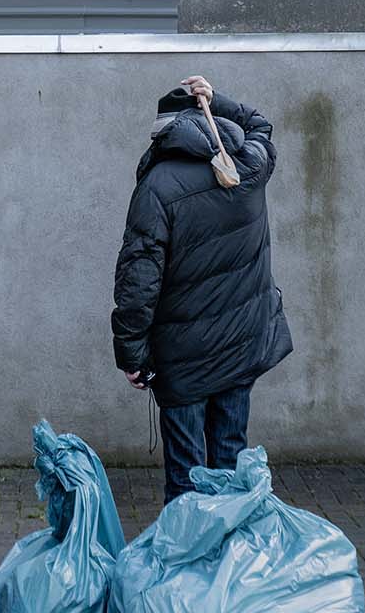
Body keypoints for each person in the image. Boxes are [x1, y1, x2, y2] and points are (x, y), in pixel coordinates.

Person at [112, 74, 292, 502]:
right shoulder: (247, 165)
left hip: (183, 360)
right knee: (230, 463)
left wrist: (132, 354)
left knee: (187, 480)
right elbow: (260, 125)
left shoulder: (158, 186)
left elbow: (139, 279)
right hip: (242, 345)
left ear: (164, 133)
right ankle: (228, 562)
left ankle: (188, 562)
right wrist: (217, 98)